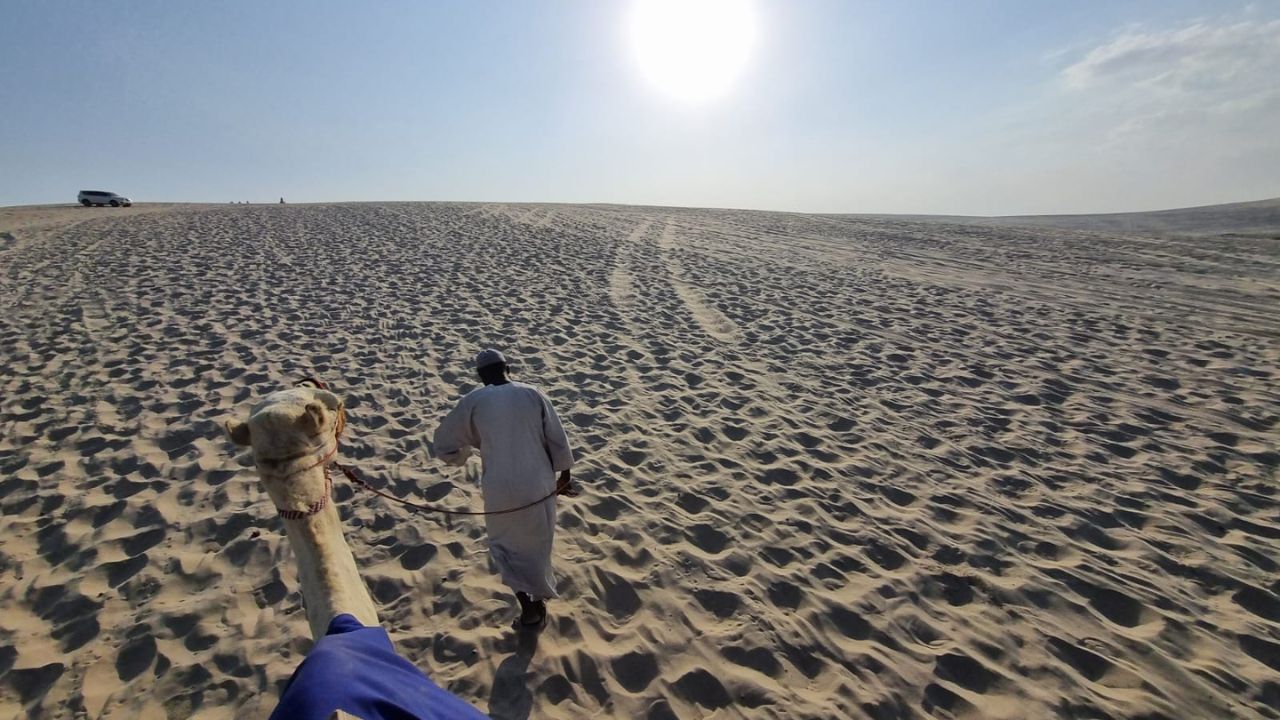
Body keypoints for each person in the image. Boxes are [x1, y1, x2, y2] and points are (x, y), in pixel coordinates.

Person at [433, 349, 577, 626]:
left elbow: (443, 444)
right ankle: (538, 602)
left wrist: (465, 454)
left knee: (504, 546)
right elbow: (558, 437)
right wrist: (565, 475)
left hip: (499, 485)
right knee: (537, 543)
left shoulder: (472, 401)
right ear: (507, 368)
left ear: (480, 375)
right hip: (538, 482)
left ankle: (527, 606)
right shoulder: (532, 393)